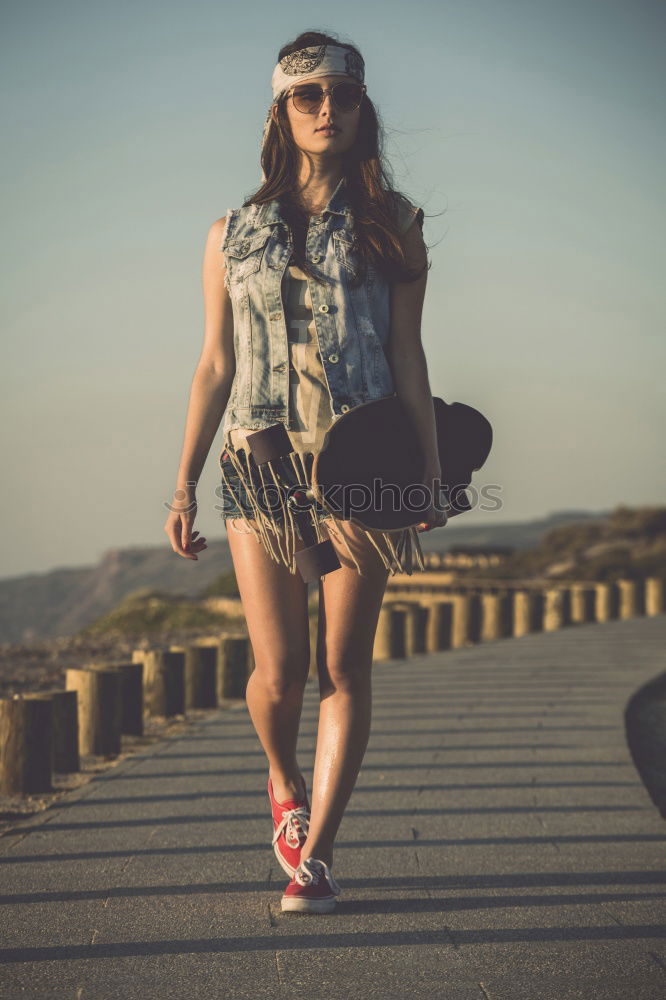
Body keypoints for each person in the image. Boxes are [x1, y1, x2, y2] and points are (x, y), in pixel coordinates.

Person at [164, 30, 447, 914]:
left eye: (344, 96)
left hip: (363, 462)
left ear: (364, 111)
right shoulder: (227, 234)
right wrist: (182, 481)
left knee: (342, 666)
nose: (328, 109)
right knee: (279, 672)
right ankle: (282, 781)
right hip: (259, 463)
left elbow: (408, 353)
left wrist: (429, 476)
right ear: (281, 111)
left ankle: (316, 857)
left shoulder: (393, 224)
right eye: (308, 95)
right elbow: (215, 363)